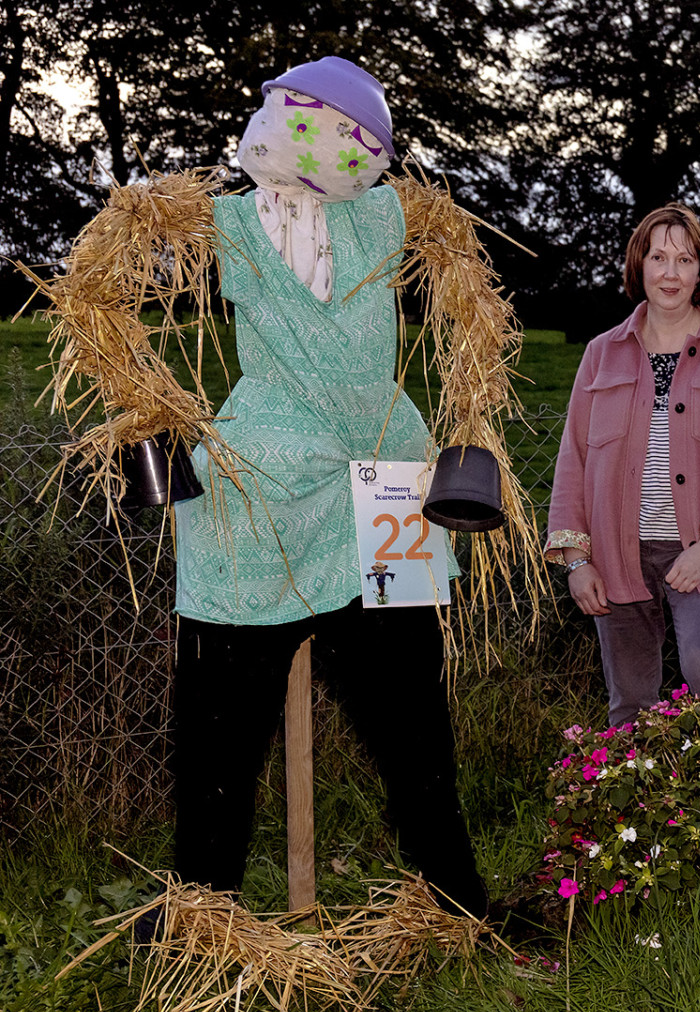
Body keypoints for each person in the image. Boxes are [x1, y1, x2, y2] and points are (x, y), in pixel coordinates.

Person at [168, 57, 486, 918]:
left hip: (381, 476)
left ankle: (454, 897)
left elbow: (473, 294)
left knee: (413, 711)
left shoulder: (389, 213)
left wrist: (473, 401)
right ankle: (203, 906)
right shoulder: (224, 225)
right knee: (221, 716)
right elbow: (96, 291)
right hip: (260, 486)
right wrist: (141, 409)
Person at [546, 205, 700, 728]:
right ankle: (647, 804)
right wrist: (577, 561)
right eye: (658, 257)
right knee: (628, 701)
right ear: (639, 265)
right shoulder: (602, 354)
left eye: (685, 259)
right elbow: (574, 461)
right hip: (616, 551)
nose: (670, 273)